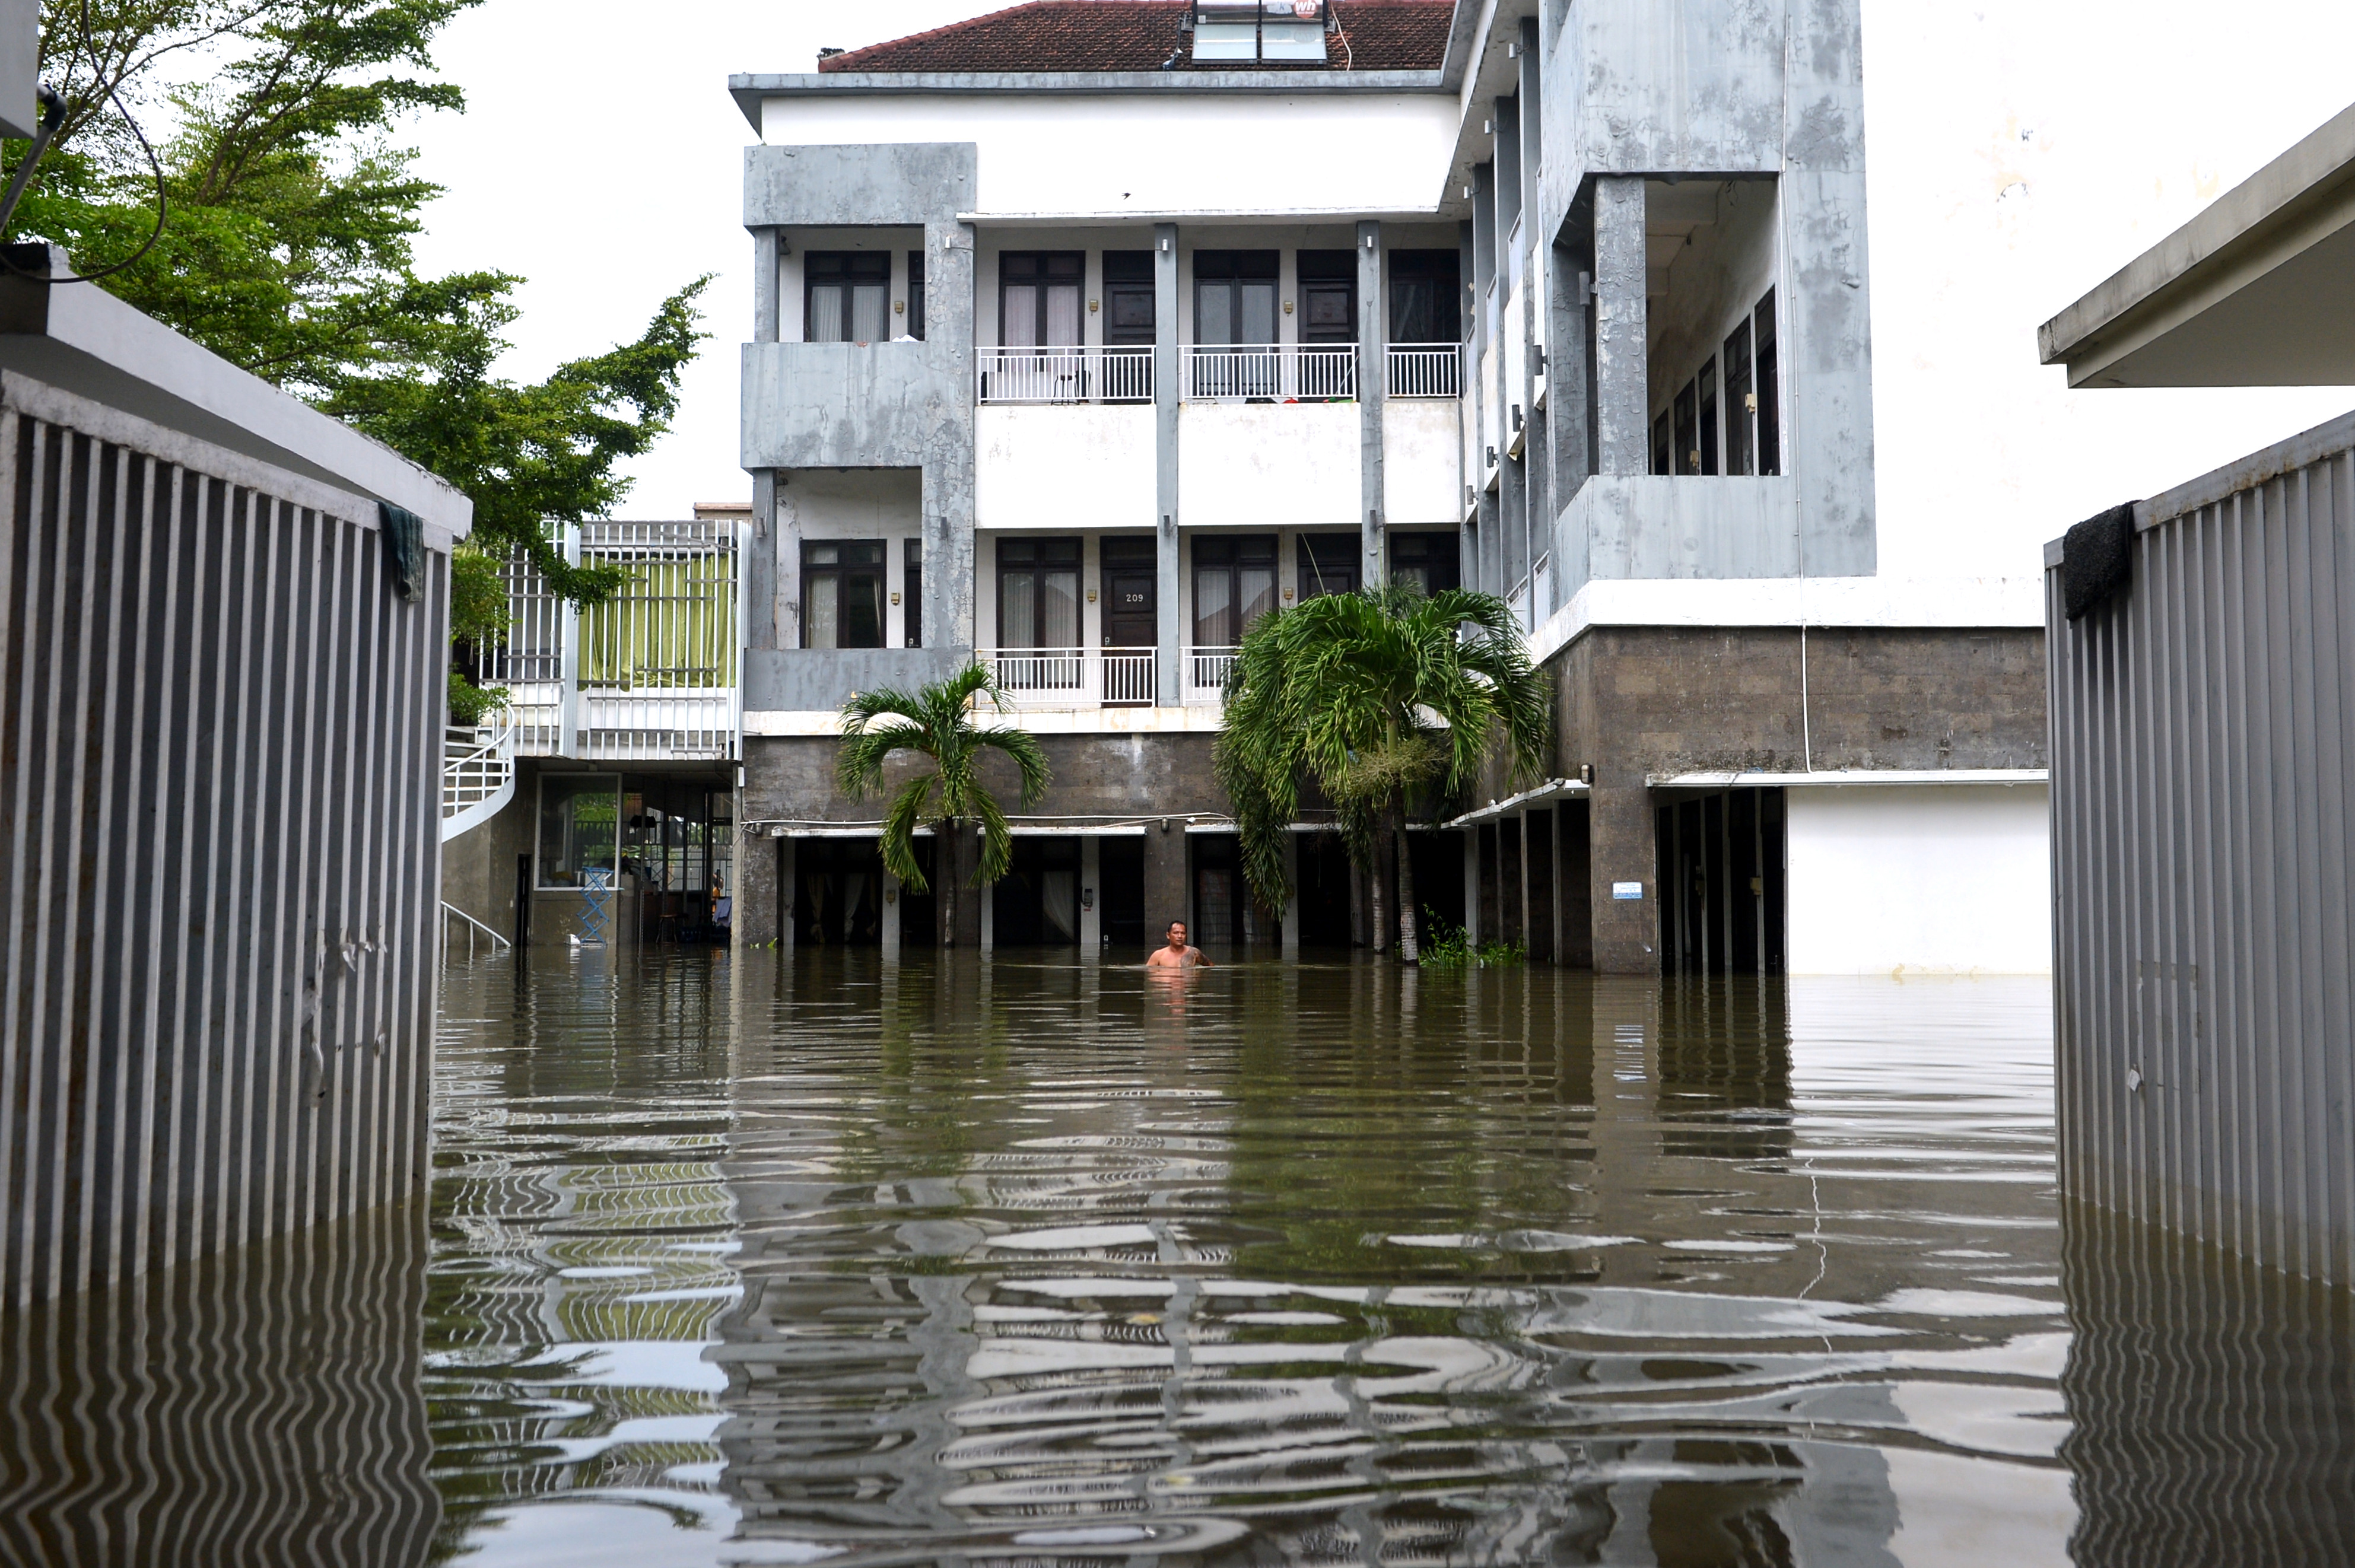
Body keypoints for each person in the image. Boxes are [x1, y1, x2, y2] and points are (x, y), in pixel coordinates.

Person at [1146, 920, 1211, 969]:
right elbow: (1151, 976)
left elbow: (1211, 967)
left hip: (1187, 986)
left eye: (1183, 933)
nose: (1180, 936)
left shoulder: (1194, 953)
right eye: (1176, 933)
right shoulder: (1158, 955)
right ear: (1168, 935)